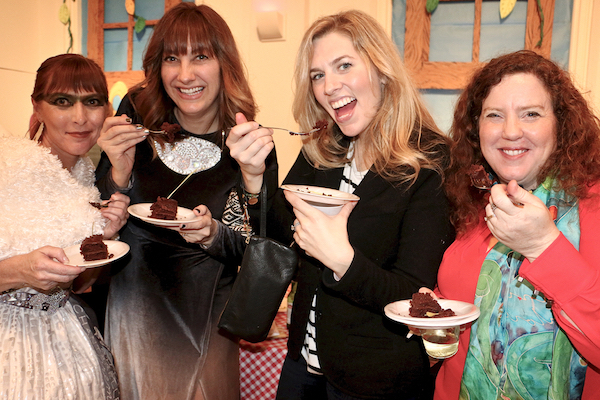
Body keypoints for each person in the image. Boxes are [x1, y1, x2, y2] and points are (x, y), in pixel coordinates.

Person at [227, 10, 455, 400]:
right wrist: (253, 175)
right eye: (318, 75)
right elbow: (281, 239)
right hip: (303, 363)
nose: (329, 86)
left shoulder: (430, 162)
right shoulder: (324, 149)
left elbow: (411, 297)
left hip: (374, 379)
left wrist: (343, 261)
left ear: (381, 70)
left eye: (344, 66)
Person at [95, 3, 278, 399]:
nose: (185, 74)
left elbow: (266, 253)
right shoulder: (137, 117)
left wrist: (213, 233)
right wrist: (118, 174)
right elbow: (96, 224)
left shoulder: (247, 140)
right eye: (171, 58)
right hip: (132, 314)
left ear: (223, 62)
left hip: (207, 322)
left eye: (201, 56)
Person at [430, 50, 600, 400]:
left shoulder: (594, 205)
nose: (510, 131)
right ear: (476, 129)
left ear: (561, 123)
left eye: (531, 114)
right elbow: (461, 298)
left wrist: (543, 247)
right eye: (494, 115)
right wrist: (434, 312)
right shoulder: (476, 201)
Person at [0, 53, 129, 399]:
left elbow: (81, 284)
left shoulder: (89, 181)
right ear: (37, 108)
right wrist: (18, 270)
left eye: (92, 102)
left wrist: (107, 238)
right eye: (62, 102)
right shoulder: (5, 167)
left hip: (70, 348)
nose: (80, 118)